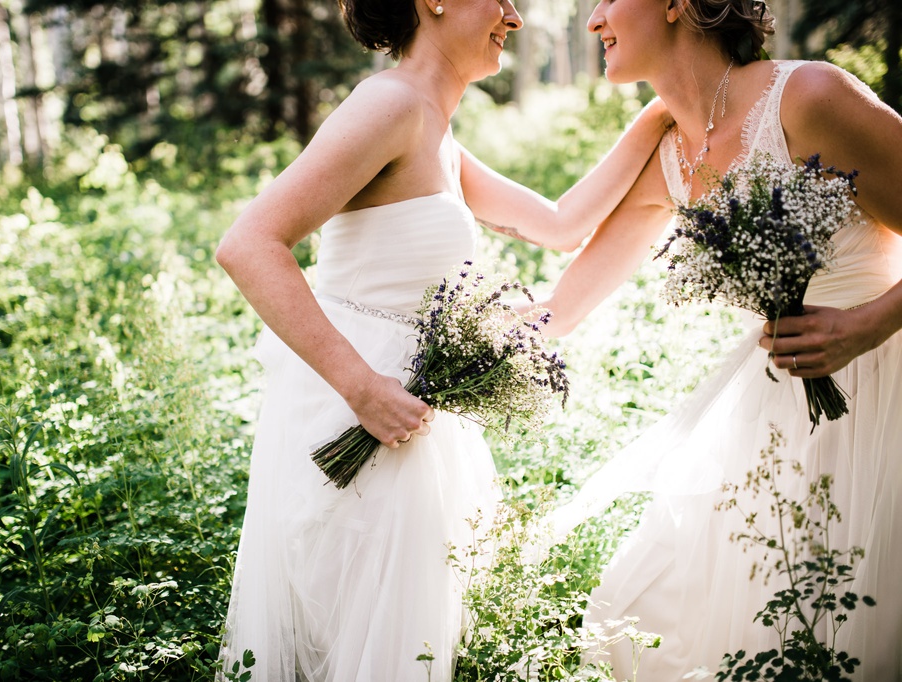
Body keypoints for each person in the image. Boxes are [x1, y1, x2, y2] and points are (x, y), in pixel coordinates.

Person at [213, 0, 673, 678]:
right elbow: (247, 244)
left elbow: (559, 224)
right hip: (357, 410)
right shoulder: (390, 106)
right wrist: (362, 387)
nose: (514, 18)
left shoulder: (434, 124)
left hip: (408, 421)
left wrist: (666, 113)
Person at [534, 0, 902, 679]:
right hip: (777, 413)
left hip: (886, 393)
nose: (593, 21)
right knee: (650, 613)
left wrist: (866, 325)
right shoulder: (670, 154)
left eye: (608, 0)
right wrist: (436, 363)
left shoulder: (809, 96)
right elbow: (560, 307)